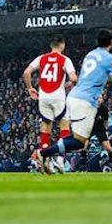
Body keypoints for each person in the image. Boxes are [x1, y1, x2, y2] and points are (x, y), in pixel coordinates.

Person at [41, 29, 112, 172]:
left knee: (78, 140)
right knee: (78, 142)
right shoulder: (109, 58)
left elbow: (110, 76)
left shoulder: (90, 55)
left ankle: (48, 155)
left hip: (73, 97)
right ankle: (44, 154)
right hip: (85, 101)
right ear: (111, 42)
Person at [22, 37, 77, 168]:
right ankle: (60, 160)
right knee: (64, 126)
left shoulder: (41, 58)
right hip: (58, 96)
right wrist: (69, 84)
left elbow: (26, 72)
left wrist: (30, 88)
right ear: (62, 46)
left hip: (43, 97)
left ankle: (44, 159)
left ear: (51, 45)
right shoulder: (65, 60)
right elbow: (74, 78)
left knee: (46, 128)